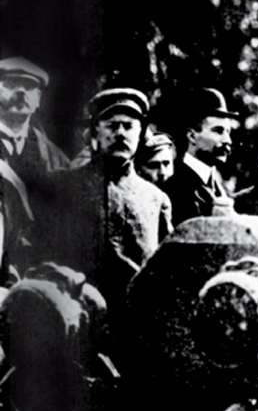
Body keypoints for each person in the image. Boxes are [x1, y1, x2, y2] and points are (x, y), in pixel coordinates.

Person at [29, 88, 173, 311]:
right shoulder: (62, 186)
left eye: (128, 126)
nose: (120, 133)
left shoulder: (156, 199)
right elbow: (41, 256)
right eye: (112, 126)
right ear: (95, 131)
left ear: (141, 133)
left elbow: (164, 270)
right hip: (77, 313)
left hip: (134, 317)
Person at [159, 87, 238, 226]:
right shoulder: (175, 188)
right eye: (218, 131)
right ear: (192, 136)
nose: (228, 141)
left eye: (228, 132)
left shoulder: (219, 189)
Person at [0, 56, 69, 181]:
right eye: (12, 83)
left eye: (29, 86)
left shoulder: (56, 158)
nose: (21, 91)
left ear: (38, 98)